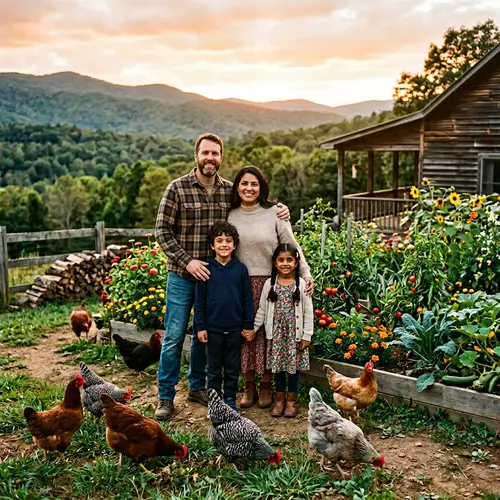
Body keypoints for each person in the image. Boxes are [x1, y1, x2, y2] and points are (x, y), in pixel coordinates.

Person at [155, 133, 289, 421]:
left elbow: (253, 206)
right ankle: (165, 396)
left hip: (216, 279)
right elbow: (162, 232)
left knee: (207, 335)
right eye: (205, 153)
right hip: (182, 274)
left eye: (215, 154)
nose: (210, 158)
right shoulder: (176, 189)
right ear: (196, 156)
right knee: (175, 335)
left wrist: (280, 209)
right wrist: (188, 262)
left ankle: (197, 387)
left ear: (221, 157)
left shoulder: (229, 191)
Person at [227, 165, 314, 410]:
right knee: (247, 334)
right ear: (237, 187)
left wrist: (305, 273)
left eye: (254, 184)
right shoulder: (229, 213)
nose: (249, 188)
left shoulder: (275, 213)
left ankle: (266, 387)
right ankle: (248, 386)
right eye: (244, 183)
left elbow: (291, 245)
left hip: (271, 285)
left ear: (261, 187)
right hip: (240, 283)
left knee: (268, 336)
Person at [195, 221, 254, 413]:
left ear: (234, 245)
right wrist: (200, 326)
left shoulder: (240, 269)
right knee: (213, 369)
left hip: (235, 328)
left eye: (228, 240)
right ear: (212, 245)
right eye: (219, 240)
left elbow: (247, 300)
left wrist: (248, 325)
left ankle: (229, 399)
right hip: (212, 329)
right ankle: (215, 401)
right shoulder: (206, 269)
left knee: (231, 367)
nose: (224, 244)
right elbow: (200, 302)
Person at [254, 243, 313, 418]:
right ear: (274, 263)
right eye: (281, 260)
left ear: (296, 263)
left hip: (294, 336)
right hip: (277, 336)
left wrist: (307, 335)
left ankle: (291, 402)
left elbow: (308, 311)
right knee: (278, 369)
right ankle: (279, 401)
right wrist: (253, 328)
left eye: (289, 260)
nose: (285, 263)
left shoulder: (301, 284)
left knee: (292, 370)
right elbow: (262, 310)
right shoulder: (269, 284)